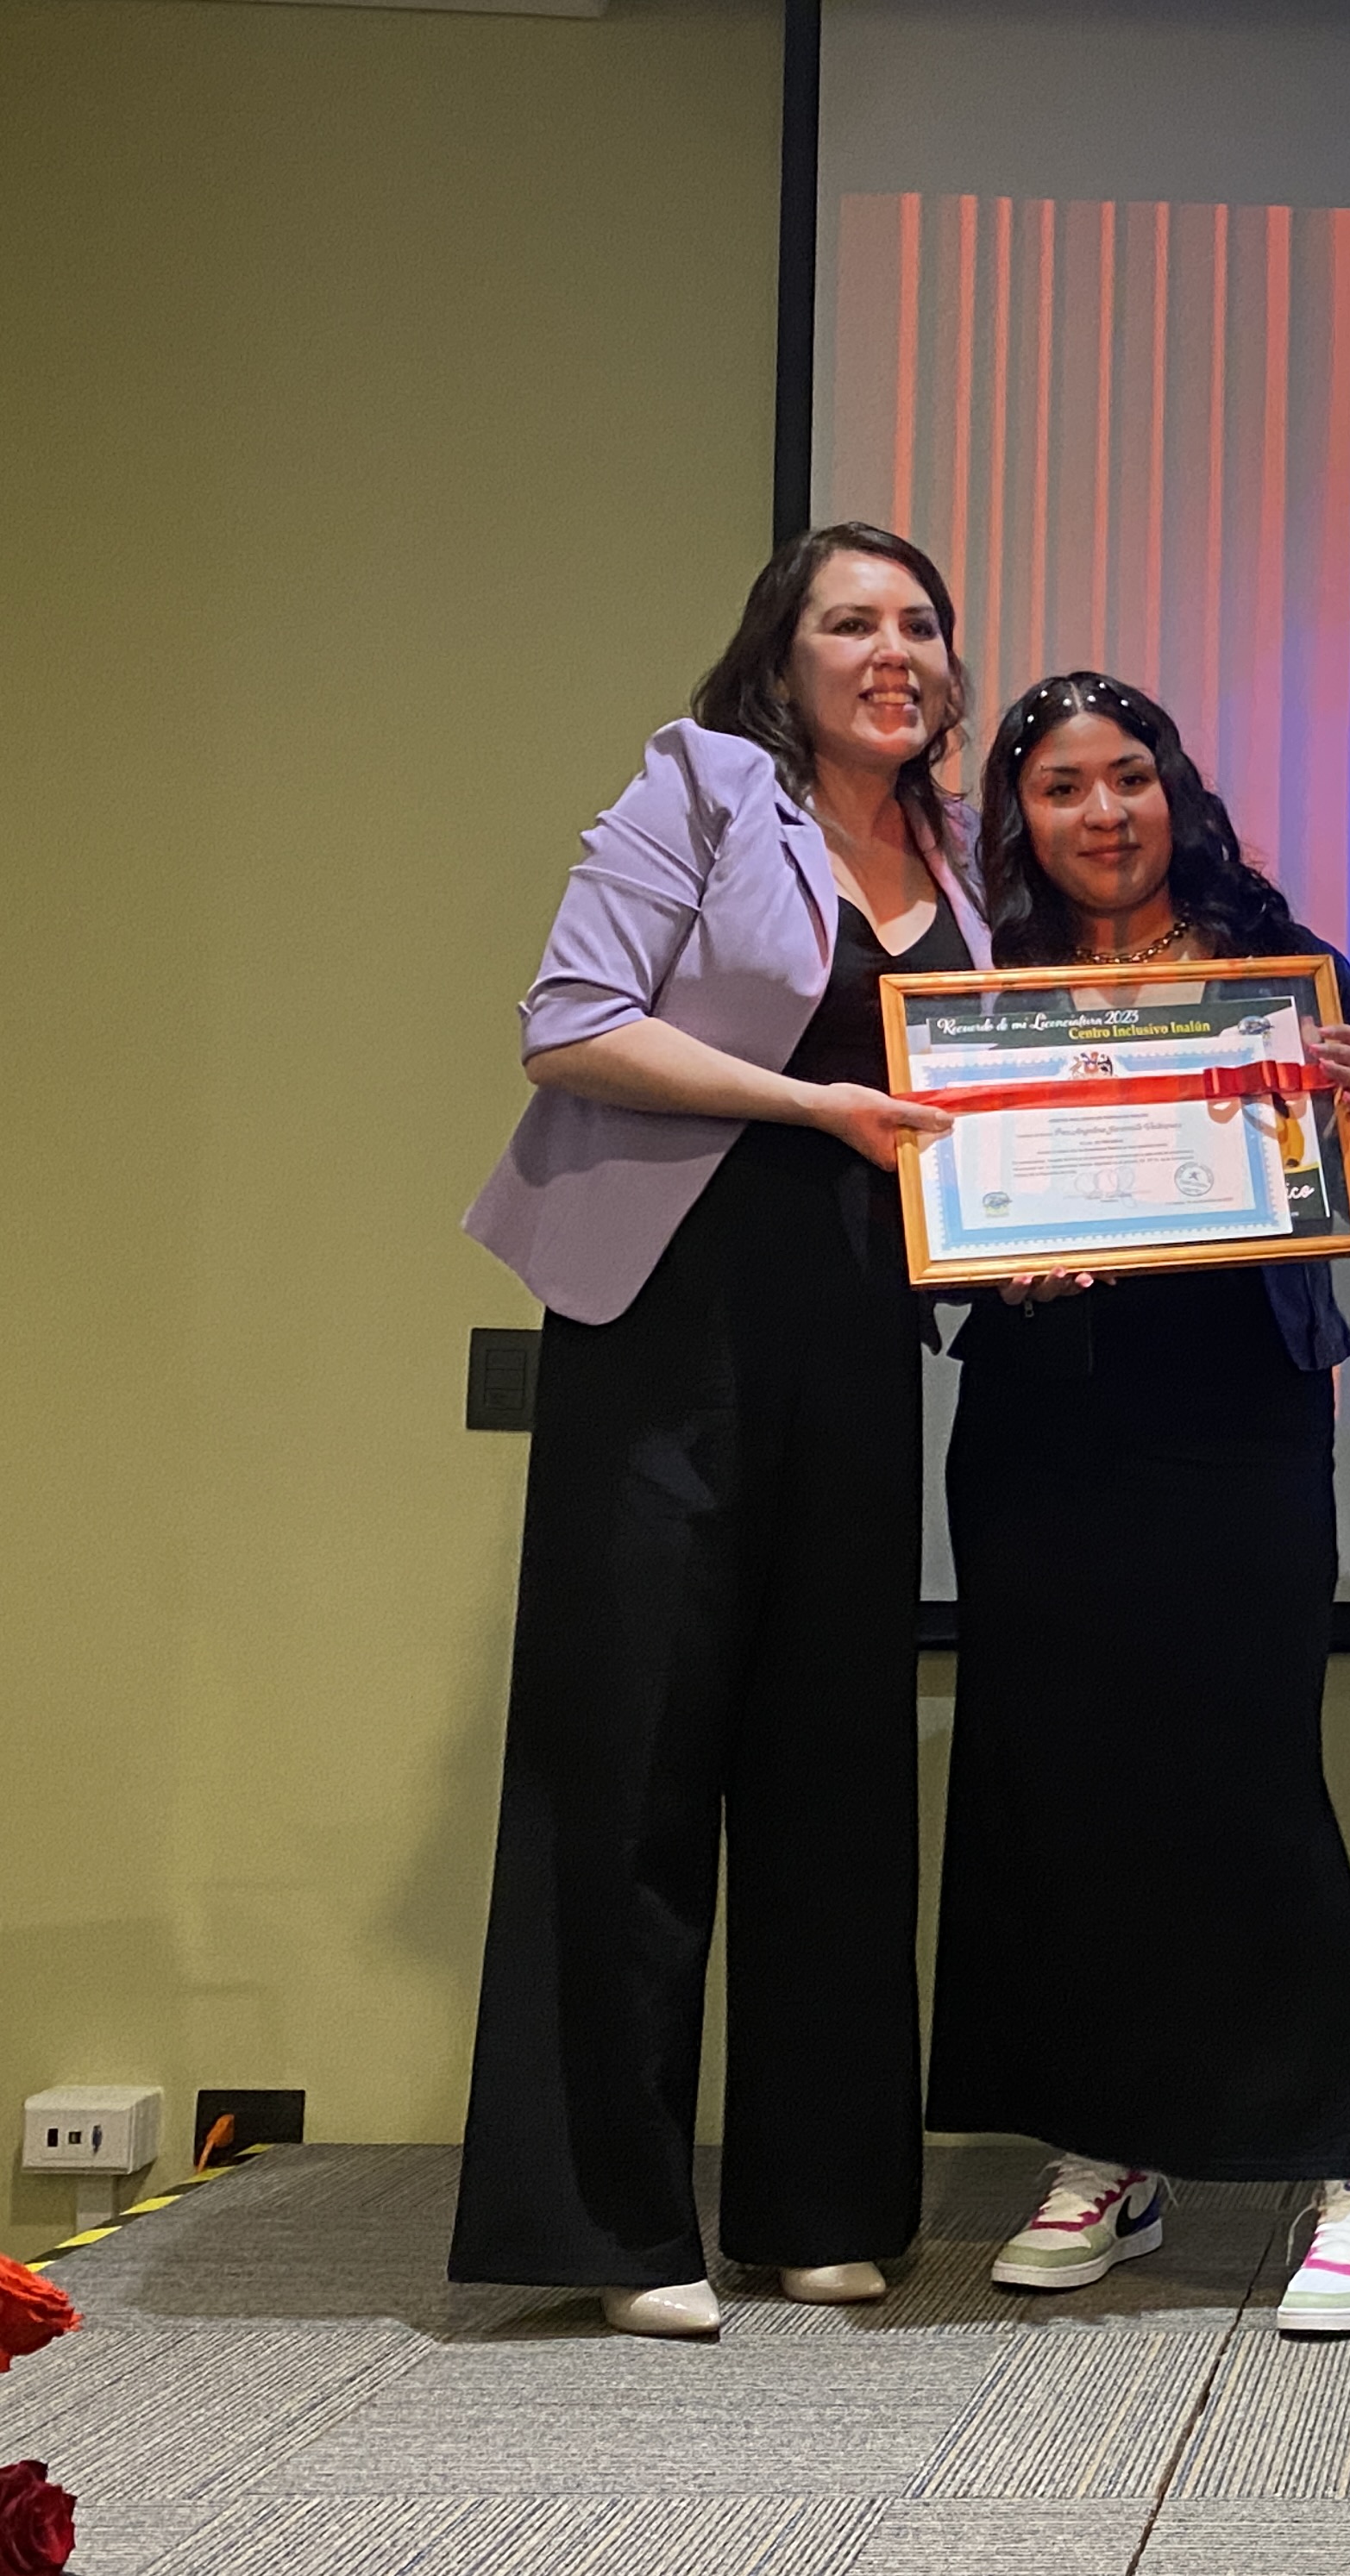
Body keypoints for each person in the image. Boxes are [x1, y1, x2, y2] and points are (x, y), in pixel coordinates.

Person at [452, 524, 990, 2336]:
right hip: (664, 1326)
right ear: (785, 653)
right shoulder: (697, 789)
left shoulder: (958, 855)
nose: (893, 651)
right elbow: (569, 1027)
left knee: (837, 1764)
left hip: (860, 1334)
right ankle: (611, 2226)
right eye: (852, 622)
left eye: (920, 623)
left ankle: (817, 2204)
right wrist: (811, 1104)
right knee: (632, 1755)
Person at [924, 671, 1350, 2338]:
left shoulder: (1292, 972)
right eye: (1062, 788)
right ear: (1020, 821)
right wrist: (985, 1262)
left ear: (1176, 792)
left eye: (1128, 778)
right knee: (1060, 1784)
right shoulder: (978, 991)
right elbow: (924, 1210)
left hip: (1235, 1428)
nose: (1103, 812)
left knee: (1242, 1782)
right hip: (1041, 1426)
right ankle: (1112, 2146)